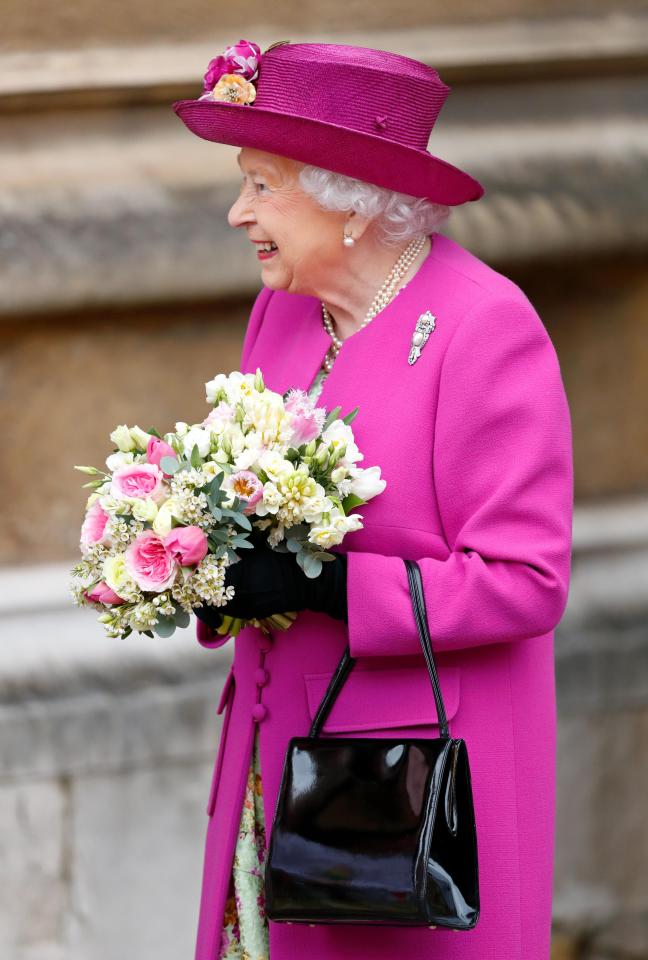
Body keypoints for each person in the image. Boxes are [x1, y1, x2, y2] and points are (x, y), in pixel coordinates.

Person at [172, 39, 573, 960]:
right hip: (279, 764)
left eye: (263, 185)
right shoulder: (282, 309)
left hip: (414, 790)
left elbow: (525, 579)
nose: (240, 213)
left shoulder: (484, 327)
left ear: (350, 198)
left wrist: (330, 589)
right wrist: (200, 561)